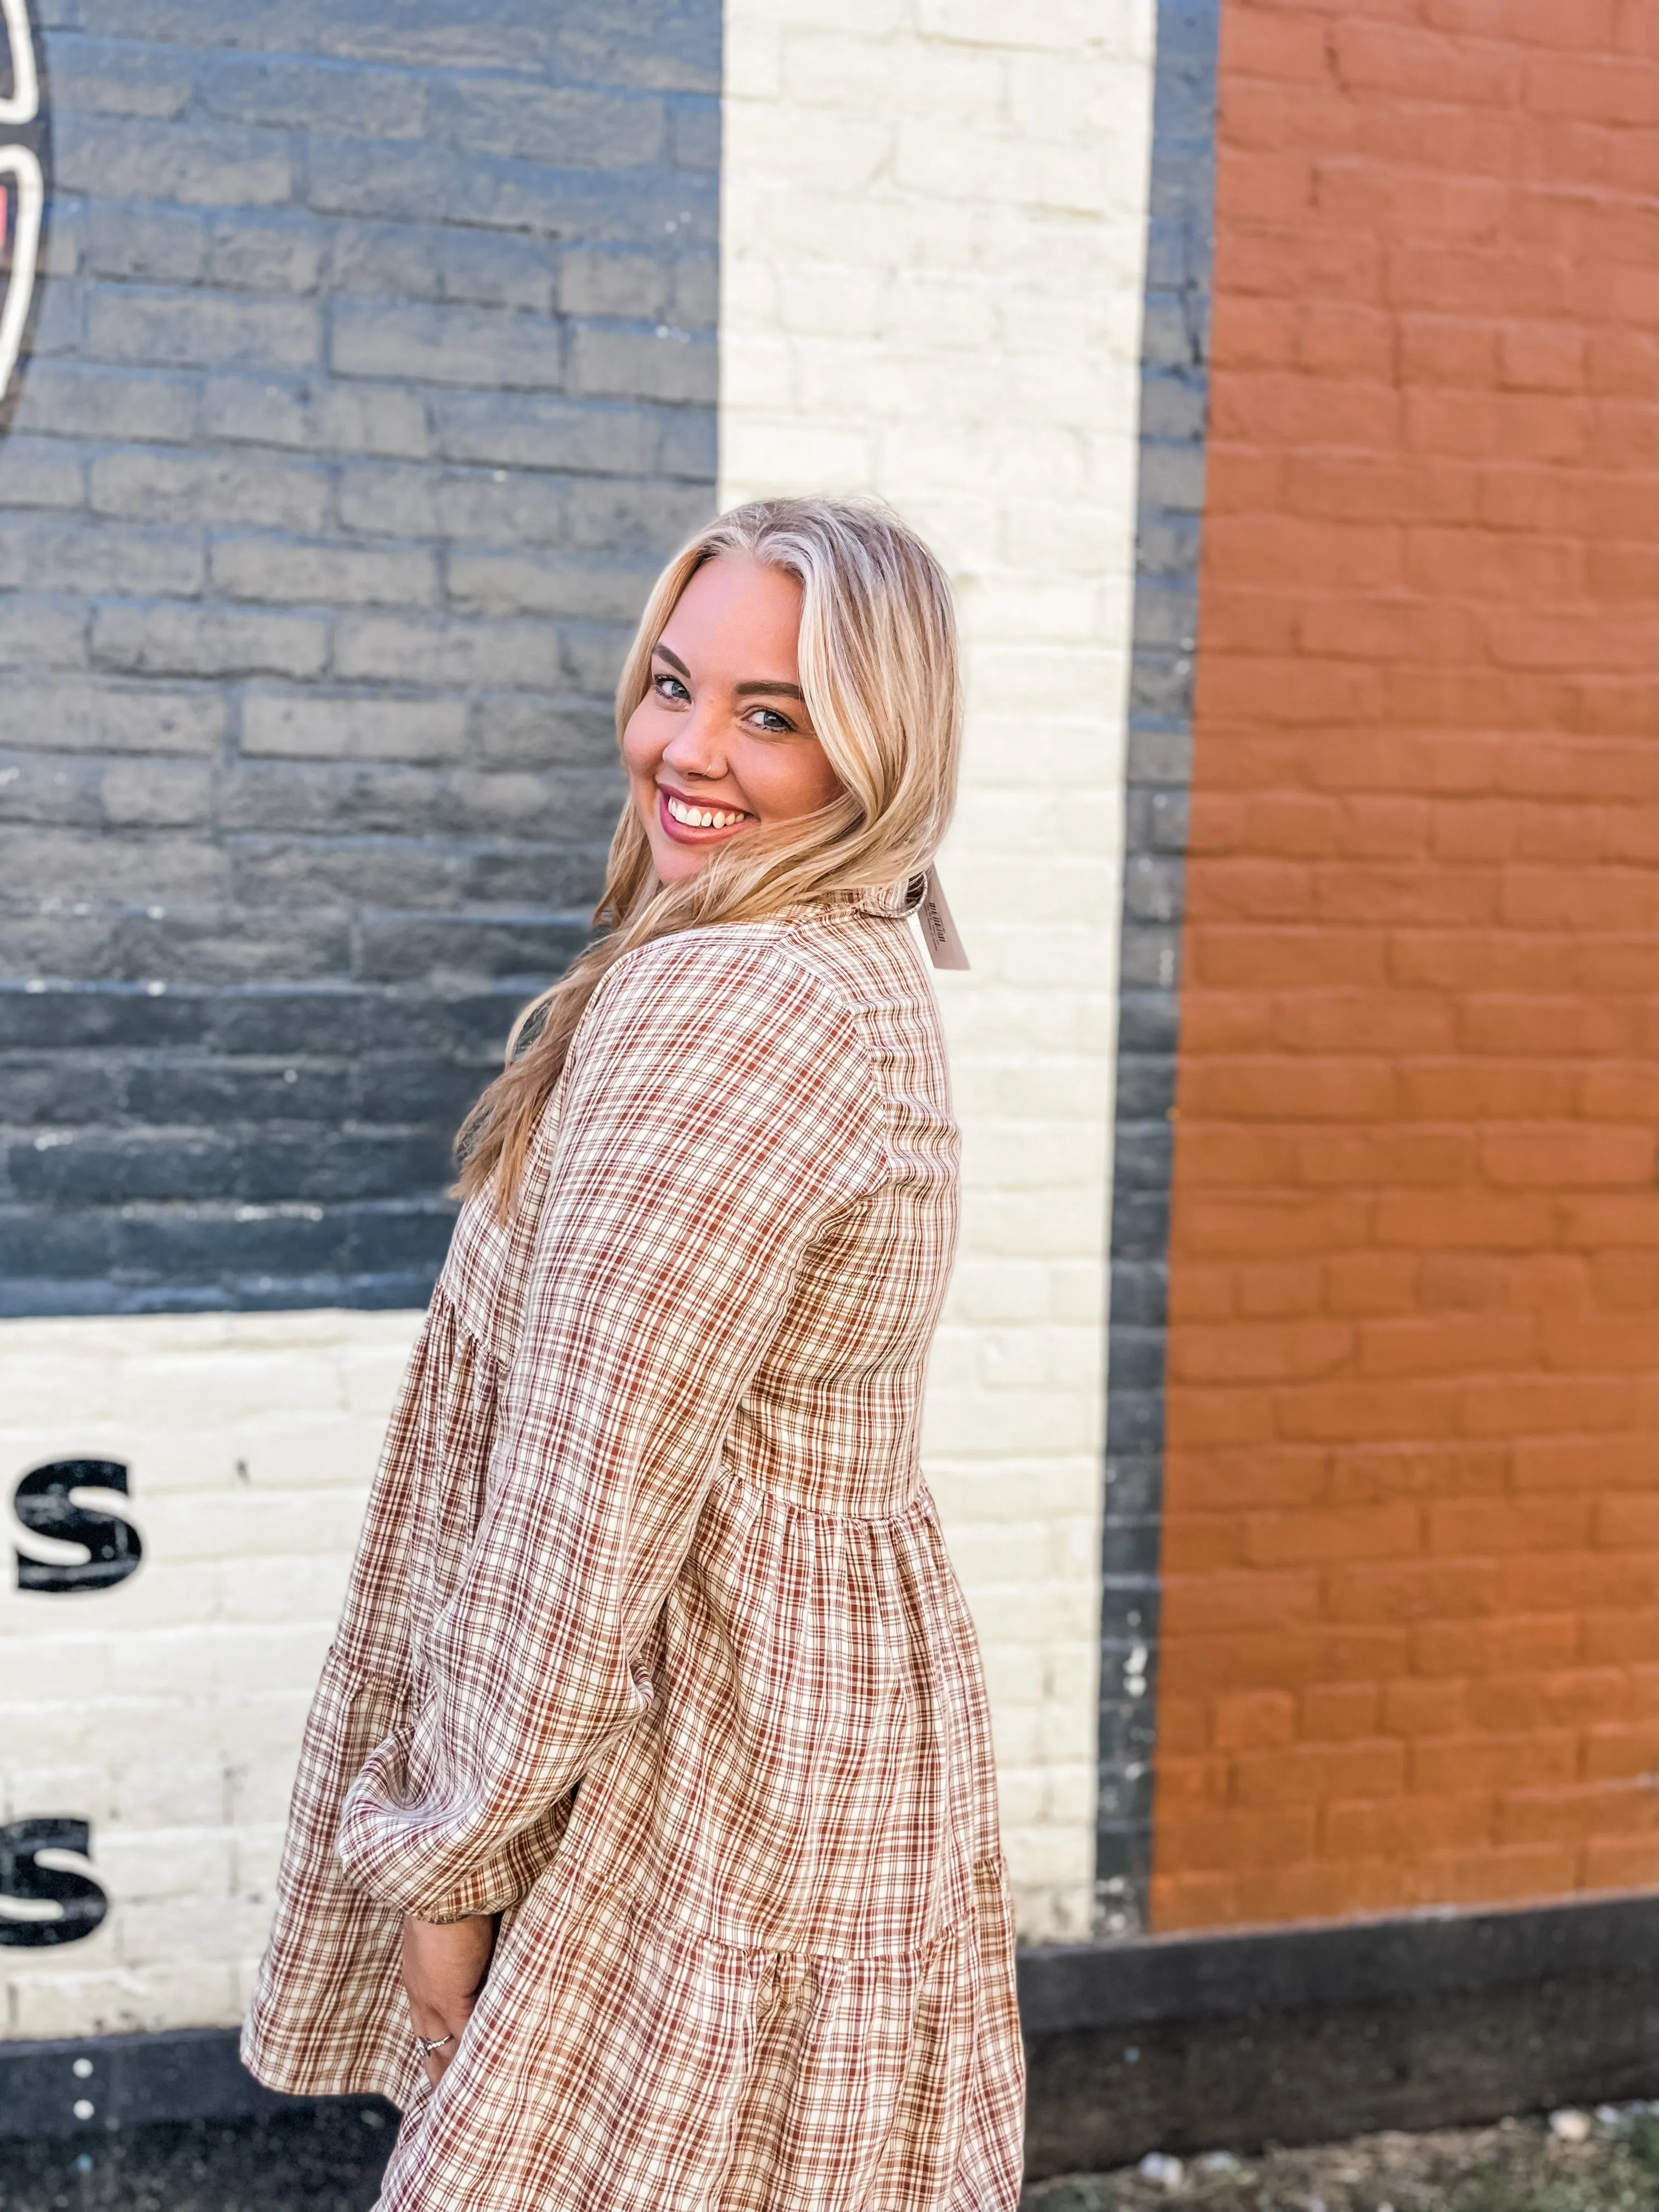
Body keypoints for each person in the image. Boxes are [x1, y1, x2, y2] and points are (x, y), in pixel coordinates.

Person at [242, 497, 1026, 2209]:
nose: (686, 749)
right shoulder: (830, 954)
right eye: (674, 684)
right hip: (793, 1711)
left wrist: (452, 1860)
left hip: (705, 1746)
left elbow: (586, 1498)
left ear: (876, 743)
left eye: (773, 713)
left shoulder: (737, 1003)